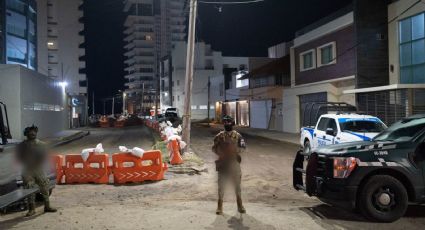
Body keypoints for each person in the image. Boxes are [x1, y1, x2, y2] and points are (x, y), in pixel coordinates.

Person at [16, 125, 57, 217]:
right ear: (26, 134)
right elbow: (19, 157)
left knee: (45, 186)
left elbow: (44, 156)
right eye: (30, 132)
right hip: (27, 169)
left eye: (34, 131)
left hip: (38, 168)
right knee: (29, 188)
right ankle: (31, 209)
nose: (33, 133)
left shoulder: (42, 144)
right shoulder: (22, 145)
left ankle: (47, 206)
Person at [212, 115, 246, 215]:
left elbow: (243, 147)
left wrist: (235, 151)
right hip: (223, 163)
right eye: (225, 122)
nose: (227, 124)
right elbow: (214, 148)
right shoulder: (219, 136)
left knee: (237, 185)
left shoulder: (238, 136)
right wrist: (220, 153)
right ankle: (219, 206)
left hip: (234, 163)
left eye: (229, 122)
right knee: (221, 185)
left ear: (232, 123)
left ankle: (240, 205)